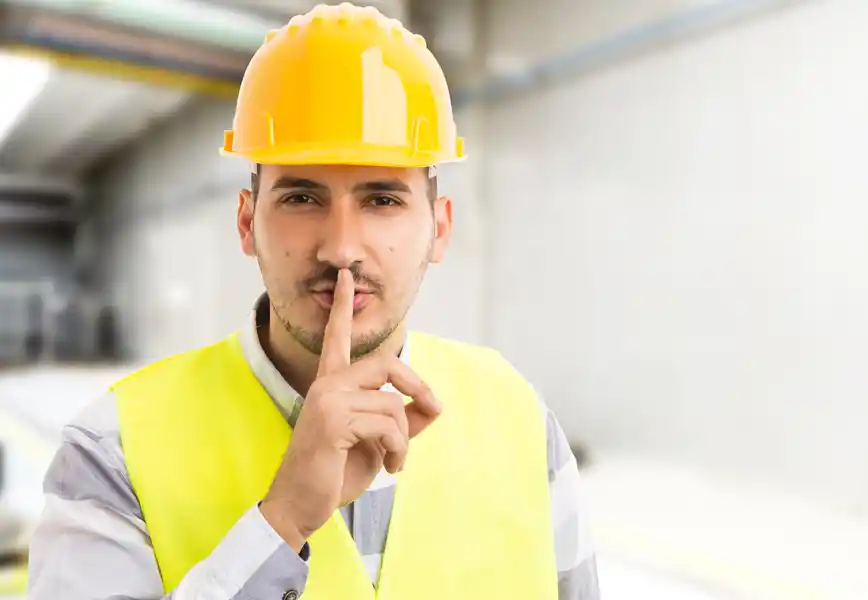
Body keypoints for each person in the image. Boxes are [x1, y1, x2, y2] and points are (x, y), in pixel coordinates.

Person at [27, 3, 601, 599]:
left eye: (382, 200)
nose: (342, 247)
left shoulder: (522, 424)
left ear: (440, 227)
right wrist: (280, 525)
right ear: (248, 223)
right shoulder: (115, 453)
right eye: (302, 198)